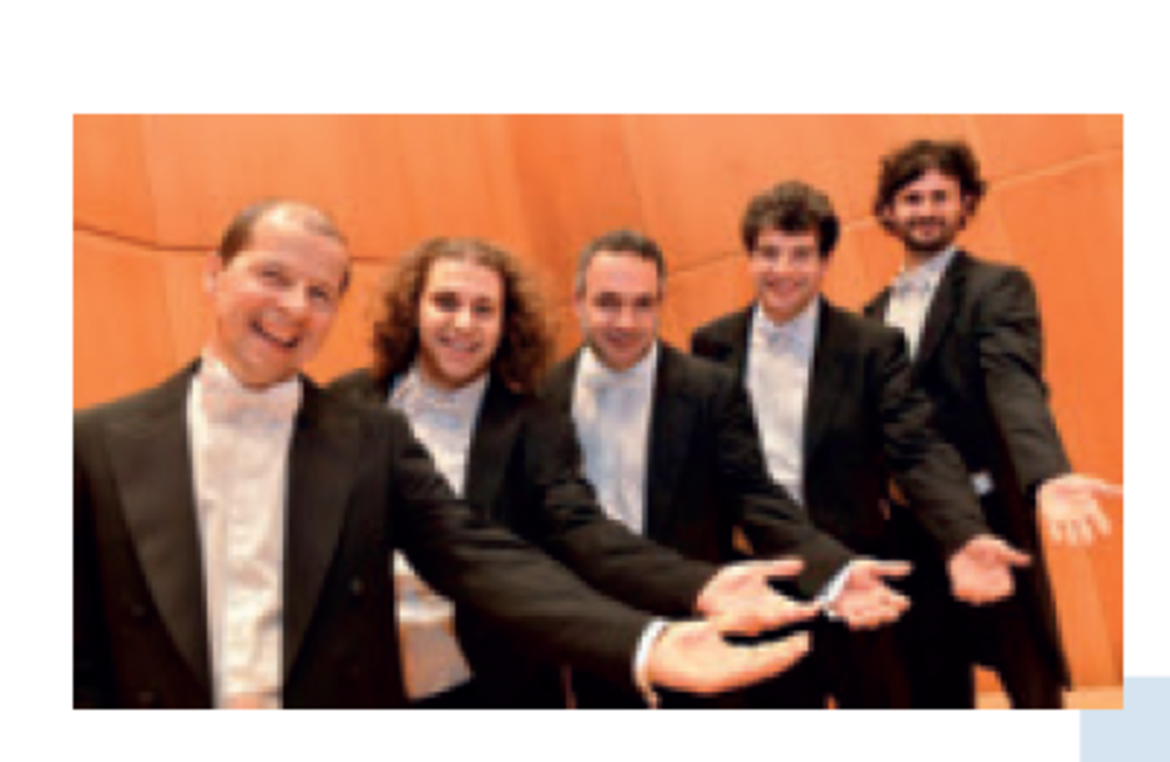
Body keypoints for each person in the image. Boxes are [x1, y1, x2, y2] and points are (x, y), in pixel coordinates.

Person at [73, 199, 823, 709]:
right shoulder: (90, 444)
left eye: (320, 293)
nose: (294, 308)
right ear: (214, 273)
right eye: (272, 276)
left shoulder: (377, 438)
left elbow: (492, 554)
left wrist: (651, 632)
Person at [331, 236, 827, 708]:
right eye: (445, 302)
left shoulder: (534, 419)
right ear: (413, 308)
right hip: (364, 685)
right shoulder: (346, 404)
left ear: (506, 323)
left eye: (484, 309)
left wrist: (699, 585)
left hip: (493, 685)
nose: (464, 324)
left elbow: (578, 528)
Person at [542, 229, 918, 708]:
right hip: (602, 641)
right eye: (608, 303)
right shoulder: (540, 399)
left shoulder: (709, 390)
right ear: (578, 302)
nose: (626, 322)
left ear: (661, 303)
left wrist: (833, 571)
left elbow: (755, 499)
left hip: (704, 629)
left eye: (643, 304)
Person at [691, 180, 1032, 708]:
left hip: (859, 573)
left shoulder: (871, 345)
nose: (782, 270)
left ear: (826, 260)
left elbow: (917, 448)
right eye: (769, 253)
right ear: (750, 257)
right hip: (760, 578)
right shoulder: (711, 345)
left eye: (801, 254)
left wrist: (963, 533)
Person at [864, 138, 1122, 708]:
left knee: (1027, 678)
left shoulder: (997, 287)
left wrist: (1045, 474)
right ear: (887, 211)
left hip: (989, 516)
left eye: (941, 196)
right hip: (909, 524)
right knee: (933, 684)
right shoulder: (871, 315)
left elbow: (1014, 385)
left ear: (967, 204)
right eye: (912, 198)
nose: (926, 210)